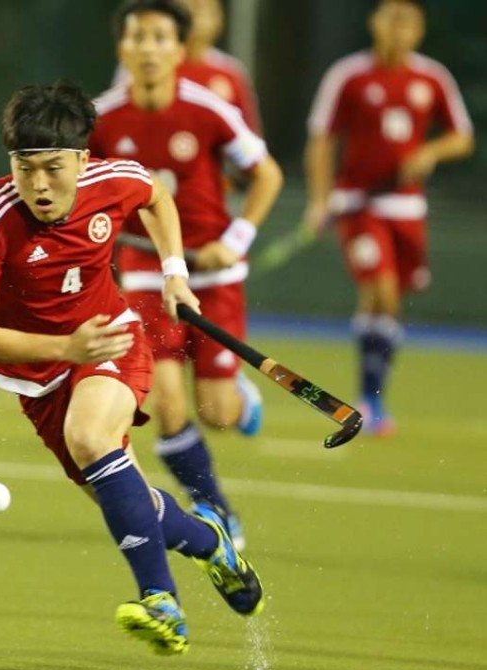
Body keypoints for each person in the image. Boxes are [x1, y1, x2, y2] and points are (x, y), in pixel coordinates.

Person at [0, 81, 263, 656]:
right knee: (126, 500)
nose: (39, 185)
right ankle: (209, 540)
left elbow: (156, 197)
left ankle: (161, 603)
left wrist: (173, 272)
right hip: (39, 375)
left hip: (111, 339)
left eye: (53, 168)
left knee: (91, 438)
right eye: (24, 169)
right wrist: (64, 348)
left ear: (82, 160)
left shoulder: (112, 180)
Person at [89, 0, 283, 550]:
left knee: (218, 412)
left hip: (213, 271)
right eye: (138, 38)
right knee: (167, 402)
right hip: (146, 269)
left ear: (180, 49)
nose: (148, 49)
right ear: (122, 48)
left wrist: (234, 240)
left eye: (160, 38)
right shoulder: (102, 117)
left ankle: (240, 398)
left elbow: (266, 174)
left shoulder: (209, 108)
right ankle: (216, 509)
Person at [303, 0, 474, 436]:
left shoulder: (432, 77)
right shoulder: (349, 75)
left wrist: (429, 152)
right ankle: (368, 400)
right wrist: (319, 200)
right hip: (359, 205)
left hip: (407, 208)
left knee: (391, 302)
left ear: (419, 30)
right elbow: (321, 139)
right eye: (391, 20)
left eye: (407, 23)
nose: (398, 30)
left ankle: (374, 395)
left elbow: (462, 137)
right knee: (379, 288)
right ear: (374, 24)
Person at [112, 0, 262, 133]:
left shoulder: (230, 72)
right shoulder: (146, 64)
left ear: (219, 19)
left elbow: (250, 137)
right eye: (189, 7)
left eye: (204, 9)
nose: (196, 18)